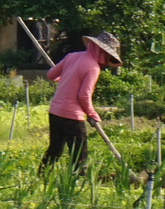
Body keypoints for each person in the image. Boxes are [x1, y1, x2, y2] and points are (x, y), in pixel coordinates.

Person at [44, 32, 121, 171]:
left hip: (55, 112)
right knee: (79, 155)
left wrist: (66, 79)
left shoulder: (71, 56)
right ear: (101, 51)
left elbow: (51, 75)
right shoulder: (93, 68)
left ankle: (41, 178)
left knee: (54, 150)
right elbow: (84, 96)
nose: (107, 59)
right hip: (72, 116)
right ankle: (76, 185)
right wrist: (92, 113)